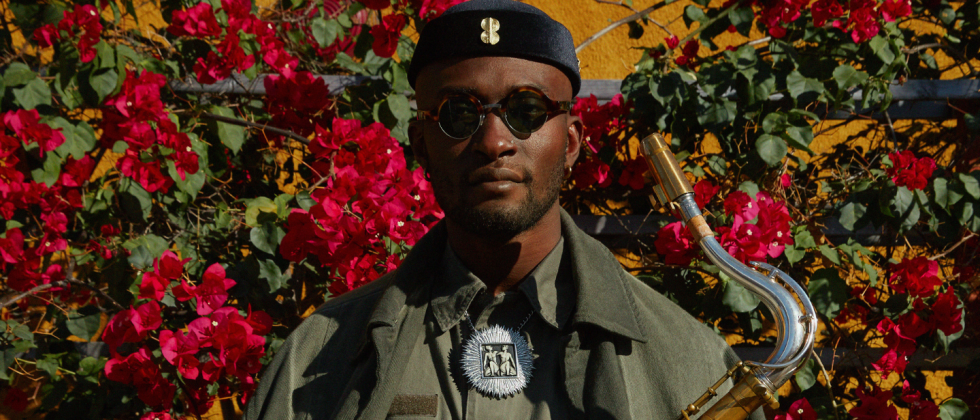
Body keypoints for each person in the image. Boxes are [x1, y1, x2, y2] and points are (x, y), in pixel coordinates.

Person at [246, 0, 764, 418]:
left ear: (572, 143)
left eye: (527, 110)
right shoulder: (313, 362)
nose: (494, 141)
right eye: (458, 113)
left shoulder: (691, 362)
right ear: (420, 143)